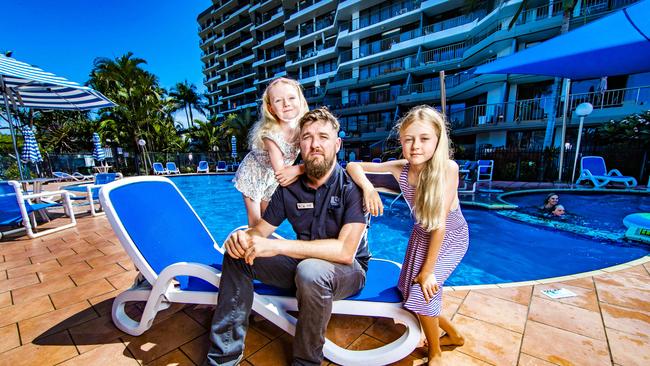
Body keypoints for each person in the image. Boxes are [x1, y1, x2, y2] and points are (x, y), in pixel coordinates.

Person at [206, 108, 370, 366]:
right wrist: (242, 240)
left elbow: (345, 252)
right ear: (299, 145)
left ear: (337, 144)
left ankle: (306, 362)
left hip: (348, 271)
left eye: (323, 137)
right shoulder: (288, 191)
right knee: (239, 257)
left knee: (310, 270)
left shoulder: (352, 188)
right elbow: (259, 233)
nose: (315, 144)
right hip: (301, 265)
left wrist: (277, 248)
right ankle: (223, 358)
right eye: (307, 137)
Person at [346, 105, 469, 365]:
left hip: (449, 236)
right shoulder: (401, 167)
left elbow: (440, 225)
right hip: (420, 235)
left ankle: (435, 354)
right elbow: (353, 165)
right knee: (407, 292)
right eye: (408, 139)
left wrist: (428, 270)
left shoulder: (448, 169)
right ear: (401, 141)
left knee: (424, 291)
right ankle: (455, 335)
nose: (415, 146)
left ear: (437, 140)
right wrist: (369, 188)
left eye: (424, 139)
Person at [233, 77, 309, 227]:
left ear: (300, 100)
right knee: (255, 222)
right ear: (271, 108)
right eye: (278, 101)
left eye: (291, 98)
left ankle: (264, 243)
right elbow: (281, 173)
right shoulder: (270, 134)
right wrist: (302, 168)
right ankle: (253, 246)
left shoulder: (303, 129)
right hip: (253, 174)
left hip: (270, 178)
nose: (286, 104)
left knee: (268, 219)